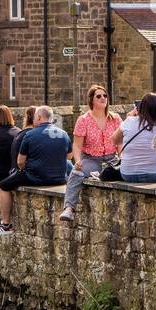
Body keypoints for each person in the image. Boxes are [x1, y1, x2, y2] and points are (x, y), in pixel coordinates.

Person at [0, 106, 71, 236]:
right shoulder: (64, 134)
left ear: (39, 117)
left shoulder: (29, 134)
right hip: (60, 179)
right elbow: (69, 156)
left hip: (35, 177)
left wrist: (22, 170)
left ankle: (6, 225)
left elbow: (20, 161)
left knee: (3, 186)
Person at [60, 83, 120, 222]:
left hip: (112, 159)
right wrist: (78, 161)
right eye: (98, 96)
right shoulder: (83, 120)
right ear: (91, 100)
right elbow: (77, 145)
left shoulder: (115, 118)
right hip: (92, 159)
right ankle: (69, 209)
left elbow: (120, 143)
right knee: (76, 172)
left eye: (105, 95)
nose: (103, 98)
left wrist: (122, 157)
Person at [114, 93, 156, 184]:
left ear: (141, 107)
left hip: (128, 174)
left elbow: (115, 140)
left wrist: (128, 120)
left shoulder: (129, 121)